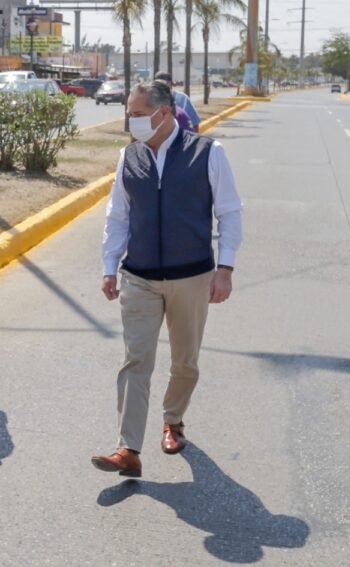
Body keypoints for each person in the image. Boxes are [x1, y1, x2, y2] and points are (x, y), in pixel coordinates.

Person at [91, 81, 242, 478]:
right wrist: (110, 266)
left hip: (191, 275)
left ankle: (173, 420)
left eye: (138, 114)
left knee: (185, 362)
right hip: (138, 275)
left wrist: (224, 268)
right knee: (136, 360)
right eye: (131, 112)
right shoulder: (130, 156)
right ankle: (128, 449)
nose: (131, 121)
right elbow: (117, 216)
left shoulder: (207, 153)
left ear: (165, 114)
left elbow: (229, 212)